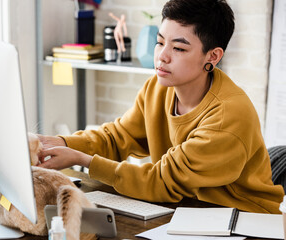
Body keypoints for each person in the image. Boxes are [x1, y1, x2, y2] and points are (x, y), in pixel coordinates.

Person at [37, 0, 284, 213]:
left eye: (178, 48)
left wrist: (83, 159)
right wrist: (61, 143)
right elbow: (118, 137)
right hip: (185, 211)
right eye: (160, 42)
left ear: (213, 56)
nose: (162, 56)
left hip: (245, 221)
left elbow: (163, 181)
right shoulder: (158, 87)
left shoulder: (228, 116)